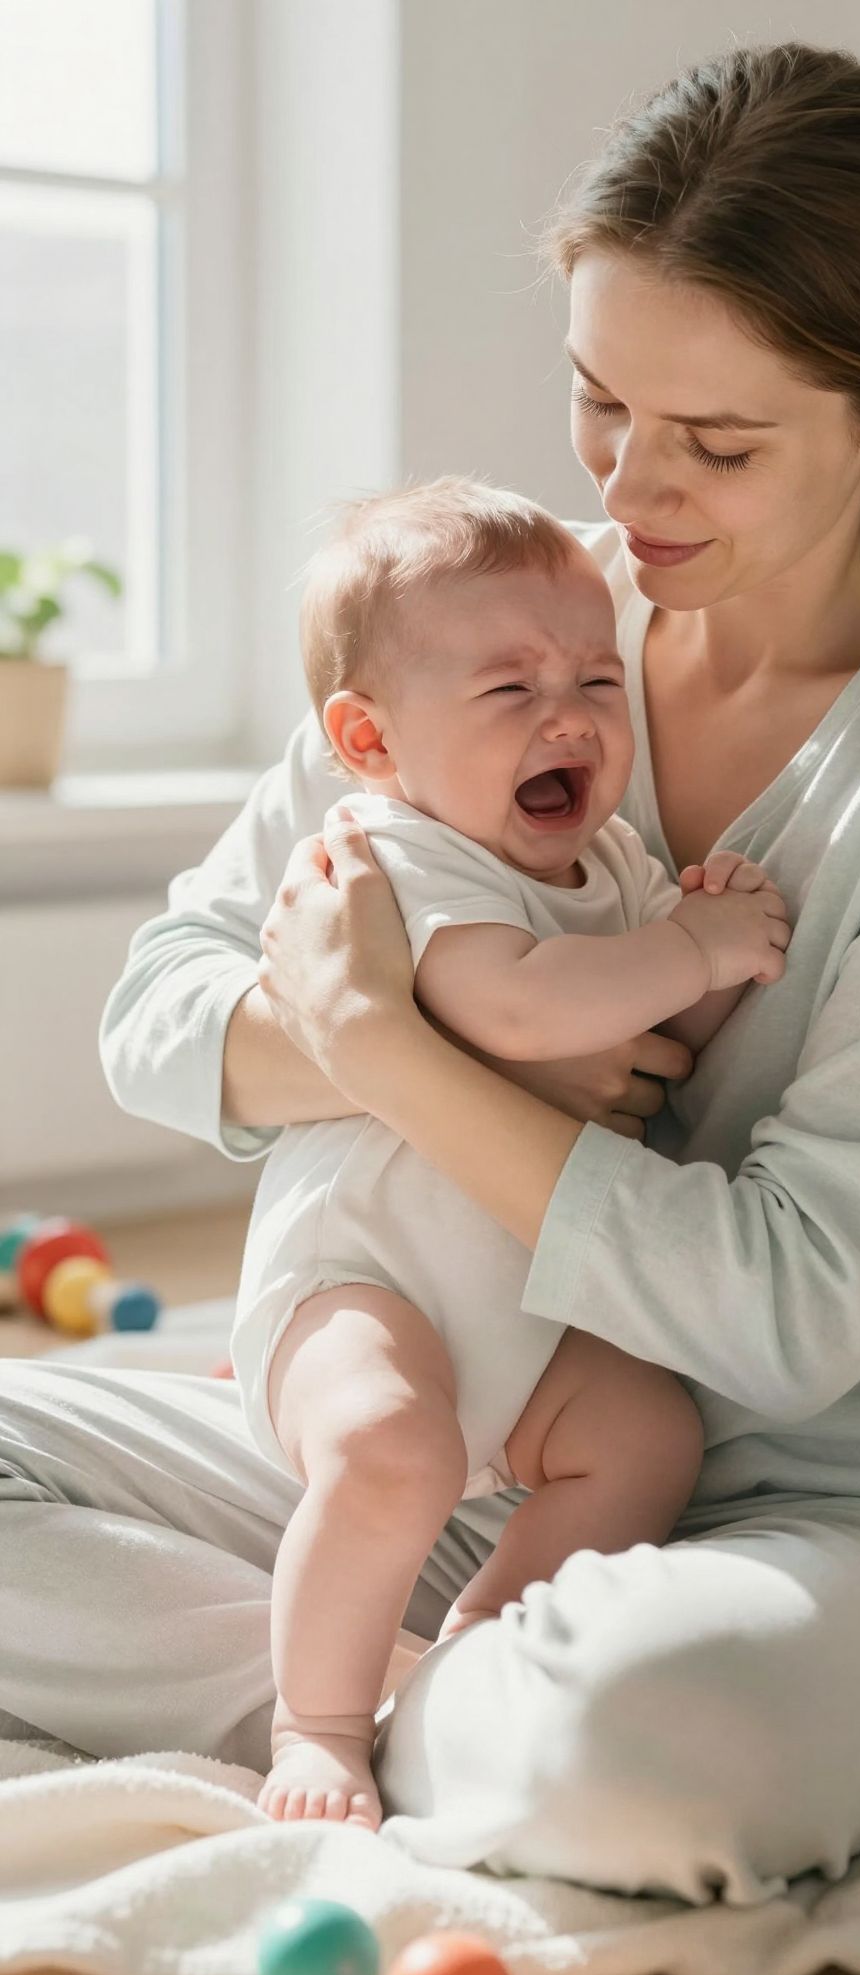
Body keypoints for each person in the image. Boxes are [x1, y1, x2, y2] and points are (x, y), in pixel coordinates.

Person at [2, 42, 860, 1903]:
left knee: (647, 1744)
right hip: (449, 1447)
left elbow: (790, 1317)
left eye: (719, 442)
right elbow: (161, 1012)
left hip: (833, 1517)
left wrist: (396, 1048)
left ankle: (372, 1695)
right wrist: (417, 1051)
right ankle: (364, 1705)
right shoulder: (509, 614)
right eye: (600, 401)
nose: (632, 483)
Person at [239, 477, 787, 1828]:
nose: (570, 717)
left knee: (648, 1436)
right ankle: (318, 1724)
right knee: (389, 1449)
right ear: (370, 739)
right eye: (509, 691)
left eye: (599, 680)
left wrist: (708, 966)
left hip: (531, 1304)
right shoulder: (394, 852)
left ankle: (478, 1643)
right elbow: (519, 1009)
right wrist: (691, 951)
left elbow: (668, 1034)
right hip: (365, 1284)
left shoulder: (614, 865)